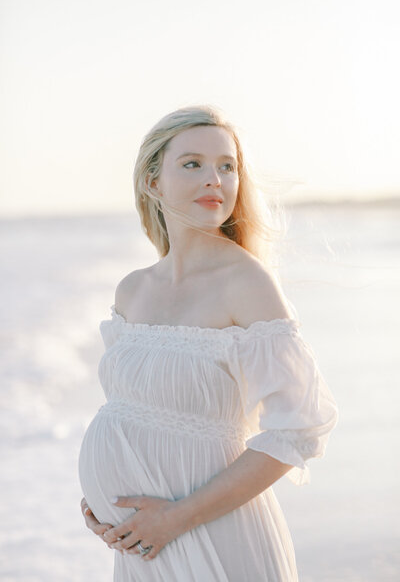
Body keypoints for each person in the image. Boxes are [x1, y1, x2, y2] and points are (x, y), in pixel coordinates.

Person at [78, 104, 339, 581]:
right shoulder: (132, 290)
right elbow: (134, 411)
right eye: (193, 163)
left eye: (227, 166)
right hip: (143, 547)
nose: (214, 179)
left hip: (214, 536)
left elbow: (298, 429)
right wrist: (105, 504)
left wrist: (175, 518)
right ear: (153, 182)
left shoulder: (246, 282)